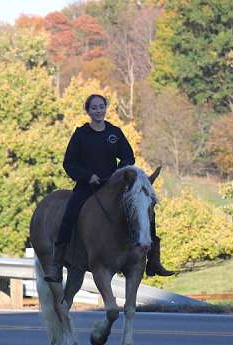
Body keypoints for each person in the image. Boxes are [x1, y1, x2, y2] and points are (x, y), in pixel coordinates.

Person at [43, 94, 174, 282]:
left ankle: (153, 259)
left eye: (101, 107)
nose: (98, 111)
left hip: (113, 186)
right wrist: (88, 176)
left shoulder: (114, 132)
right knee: (69, 215)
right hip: (87, 186)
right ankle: (56, 264)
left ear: (106, 108)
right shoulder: (81, 134)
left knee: (145, 209)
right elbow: (69, 163)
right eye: (94, 108)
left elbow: (128, 157)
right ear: (88, 111)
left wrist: (118, 174)